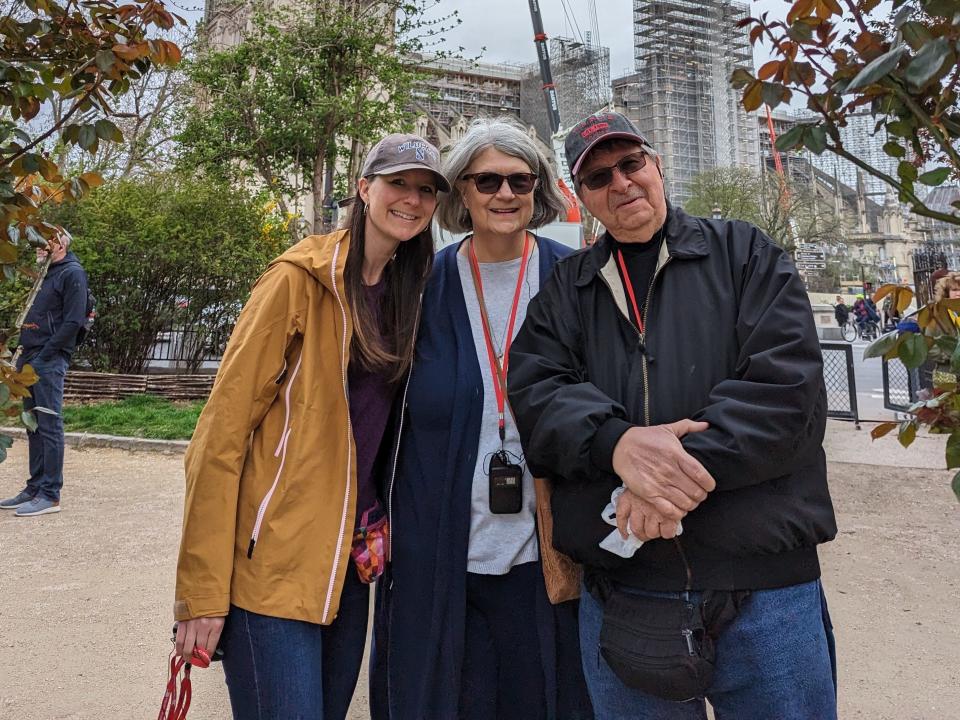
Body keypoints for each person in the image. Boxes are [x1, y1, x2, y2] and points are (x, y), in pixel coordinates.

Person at [508, 112, 838, 719]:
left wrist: (658, 474)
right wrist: (614, 443)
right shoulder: (566, 288)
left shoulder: (746, 253)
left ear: (657, 166)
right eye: (599, 175)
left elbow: (787, 391)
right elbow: (536, 392)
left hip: (764, 589)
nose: (622, 183)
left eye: (631, 163)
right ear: (580, 197)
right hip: (626, 587)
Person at [172, 133, 448, 719]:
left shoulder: (410, 292)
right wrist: (200, 594)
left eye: (426, 190)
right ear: (362, 188)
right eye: (397, 183)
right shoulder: (298, 280)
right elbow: (218, 439)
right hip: (275, 560)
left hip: (350, 561)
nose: (412, 199)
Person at [374, 118, 593, 720]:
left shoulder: (575, 278)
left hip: (544, 547)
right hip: (441, 547)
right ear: (461, 192)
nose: (505, 194)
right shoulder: (420, 283)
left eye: (520, 181)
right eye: (487, 180)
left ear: (539, 190)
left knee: (545, 697)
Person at [0, 230, 88, 517]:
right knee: (33, 425)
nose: (38, 247)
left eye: (44, 243)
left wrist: (47, 354)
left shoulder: (72, 273)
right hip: (30, 357)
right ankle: (34, 487)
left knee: (49, 425)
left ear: (59, 245)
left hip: (48, 361)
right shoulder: (46, 274)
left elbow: (74, 320)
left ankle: (50, 494)